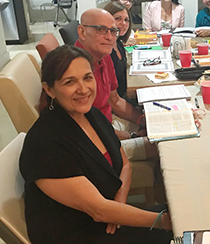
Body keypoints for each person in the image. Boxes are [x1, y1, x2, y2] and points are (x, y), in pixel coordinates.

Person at [19, 45, 172, 243]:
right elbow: (99, 210)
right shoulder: (44, 143)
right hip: (79, 234)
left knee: (188, 215)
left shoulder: (91, 115)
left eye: (87, 77)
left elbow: (124, 164)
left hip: (106, 219)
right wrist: (163, 221)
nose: (83, 89)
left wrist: (118, 206)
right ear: (49, 89)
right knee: (182, 229)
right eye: (69, 82)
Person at [74, 8, 155, 162]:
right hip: (96, 143)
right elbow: (86, 127)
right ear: (82, 32)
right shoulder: (74, 69)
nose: (109, 37)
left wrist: (144, 120)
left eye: (113, 31)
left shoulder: (104, 55)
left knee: (161, 123)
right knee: (161, 144)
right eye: (101, 30)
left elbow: (115, 101)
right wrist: (131, 136)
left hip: (110, 121)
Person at [104, 1, 131, 99]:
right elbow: (112, 99)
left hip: (125, 94)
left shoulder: (118, 42)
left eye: (126, 20)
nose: (123, 23)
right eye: (117, 18)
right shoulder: (105, 51)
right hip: (118, 101)